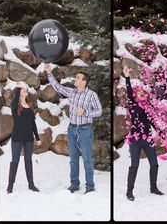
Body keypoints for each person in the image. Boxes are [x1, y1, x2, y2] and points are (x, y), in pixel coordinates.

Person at [44, 63, 102, 194]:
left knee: (87, 159)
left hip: (85, 130)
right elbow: (57, 86)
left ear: (84, 81)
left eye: (77, 77)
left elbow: (99, 111)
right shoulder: (72, 92)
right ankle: (74, 184)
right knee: (73, 159)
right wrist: (49, 72)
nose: (75, 79)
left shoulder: (91, 95)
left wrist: (85, 112)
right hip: (72, 130)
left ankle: (90, 186)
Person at [123, 65, 165, 201]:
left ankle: (153, 187)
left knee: (154, 164)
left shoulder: (148, 107)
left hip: (147, 140)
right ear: (135, 95)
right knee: (134, 165)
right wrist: (127, 77)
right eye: (139, 91)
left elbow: (152, 122)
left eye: (143, 91)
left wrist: (161, 134)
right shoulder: (133, 105)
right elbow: (129, 91)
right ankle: (129, 191)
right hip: (135, 140)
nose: (142, 93)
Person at [7, 82, 41, 194]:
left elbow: (33, 124)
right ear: (18, 92)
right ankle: (10, 186)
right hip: (17, 137)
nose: (25, 90)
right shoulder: (14, 105)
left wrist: (37, 137)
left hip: (29, 139)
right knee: (15, 161)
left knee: (28, 161)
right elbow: (15, 98)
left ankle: (31, 184)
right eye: (23, 89)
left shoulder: (30, 107)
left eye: (25, 89)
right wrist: (18, 87)